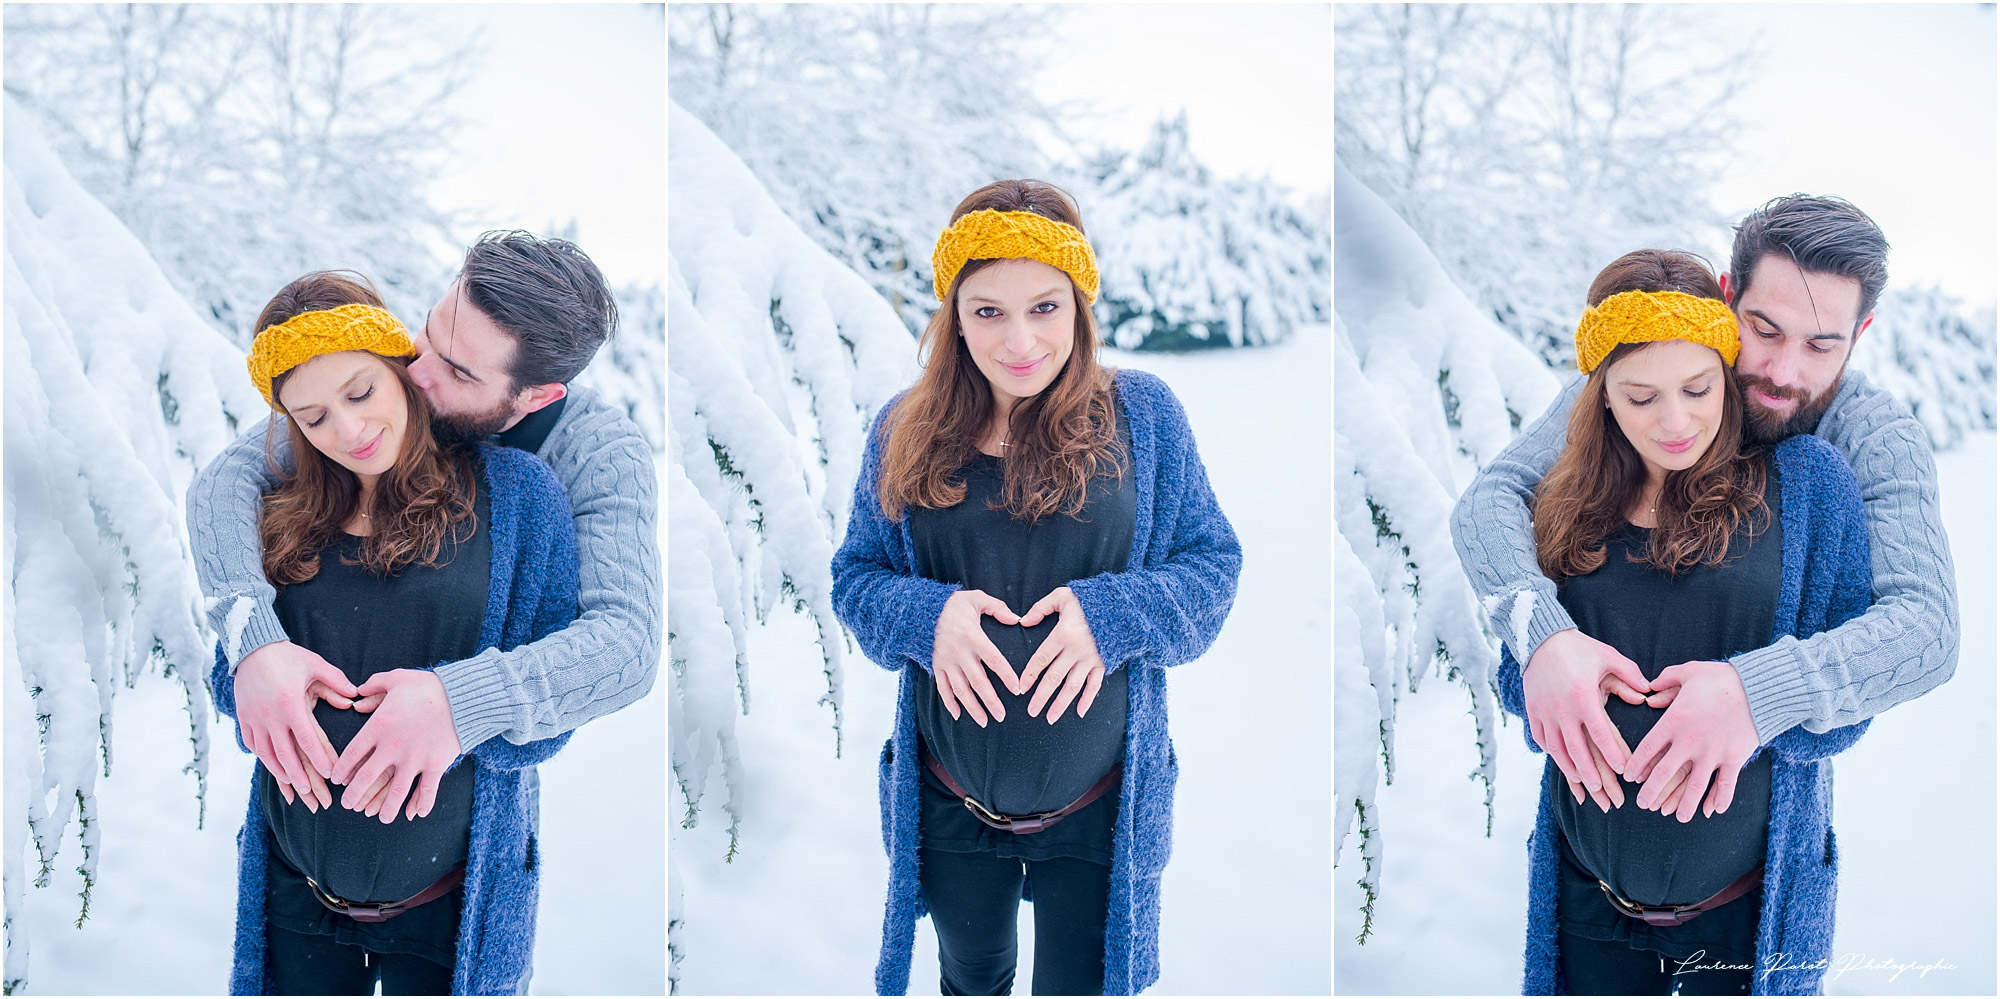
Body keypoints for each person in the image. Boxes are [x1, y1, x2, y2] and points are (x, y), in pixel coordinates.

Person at [1451, 195, 1956, 868]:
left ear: (1859, 334)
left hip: (1748, 846)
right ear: (1726, 299)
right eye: (1766, 330)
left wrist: (1757, 692)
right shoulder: (1661, 377)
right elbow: (1491, 498)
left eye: (1820, 345)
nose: (1783, 371)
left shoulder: (1873, 436)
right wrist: (1541, 637)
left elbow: (1928, 629)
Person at [830, 180, 1241, 996]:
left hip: (1099, 812)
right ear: (952, 313)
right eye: (987, 311)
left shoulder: (1143, 417)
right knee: (969, 980)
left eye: (1045, 307)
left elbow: (1212, 565)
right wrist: (927, 614)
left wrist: (1112, 613)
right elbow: (856, 576)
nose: (1019, 339)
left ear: (1080, 306)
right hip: (953, 807)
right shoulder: (902, 427)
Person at [186, 231, 658, 839]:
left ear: (536, 396)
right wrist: (251, 642)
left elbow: (627, 644)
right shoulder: (396, 380)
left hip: (455, 819)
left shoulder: (597, 452)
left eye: (458, 371)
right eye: (431, 333)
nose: (420, 372)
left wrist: (460, 703)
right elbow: (223, 483)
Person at [1488, 250, 1870, 995]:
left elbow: (1853, 699)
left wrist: (1749, 706)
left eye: (1698, 388)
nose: (1674, 422)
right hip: (1588, 907)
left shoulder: (1810, 487)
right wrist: (1554, 687)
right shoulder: (1561, 501)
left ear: (1726, 370)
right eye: (1639, 397)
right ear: (1600, 397)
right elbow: (1514, 674)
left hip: (1739, 919)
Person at [206, 272, 578, 994]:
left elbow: (555, 706)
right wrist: (255, 685)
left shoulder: (519, 496)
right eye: (311, 417)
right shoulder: (277, 510)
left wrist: (451, 712)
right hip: (297, 897)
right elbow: (224, 671)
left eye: (359, 392)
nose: (346, 431)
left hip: (443, 915)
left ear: (401, 369)